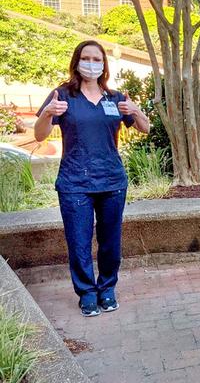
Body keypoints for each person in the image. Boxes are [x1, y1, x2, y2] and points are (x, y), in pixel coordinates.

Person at [33, 40, 150, 317]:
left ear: (104, 65)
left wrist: (135, 110)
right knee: (79, 241)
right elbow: (40, 135)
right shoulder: (62, 95)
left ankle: (107, 288)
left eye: (97, 59)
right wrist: (48, 114)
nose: (91, 63)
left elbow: (145, 128)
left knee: (111, 241)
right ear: (77, 62)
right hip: (75, 182)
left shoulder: (115, 97)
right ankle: (86, 292)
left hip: (111, 180)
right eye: (86, 58)